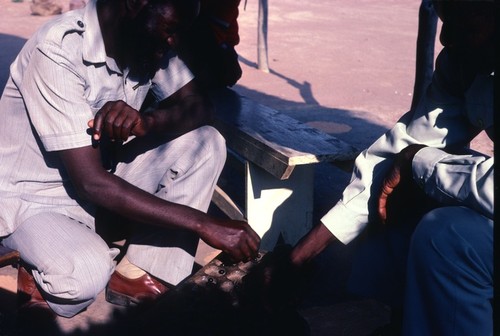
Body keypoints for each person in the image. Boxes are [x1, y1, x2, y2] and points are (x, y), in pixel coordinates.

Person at [0, 0, 260, 319]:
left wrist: (148, 122)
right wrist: (204, 223)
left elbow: (199, 106)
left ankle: (138, 273)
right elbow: (90, 182)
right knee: (82, 278)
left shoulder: (148, 36)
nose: (174, 41)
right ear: (134, 5)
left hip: (100, 185)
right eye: (172, 30)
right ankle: (40, 262)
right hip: (36, 200)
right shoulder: (59, 47)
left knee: (205, 143)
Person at [288, 0, 494, 334]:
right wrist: (303, 252)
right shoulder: (469, 57)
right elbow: (410, 142)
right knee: (394, 198)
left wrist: (420, 164)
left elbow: (420, 158)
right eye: (445, 18)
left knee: (450, 234)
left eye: (462, 20)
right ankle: (409, 320)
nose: (446, 37)